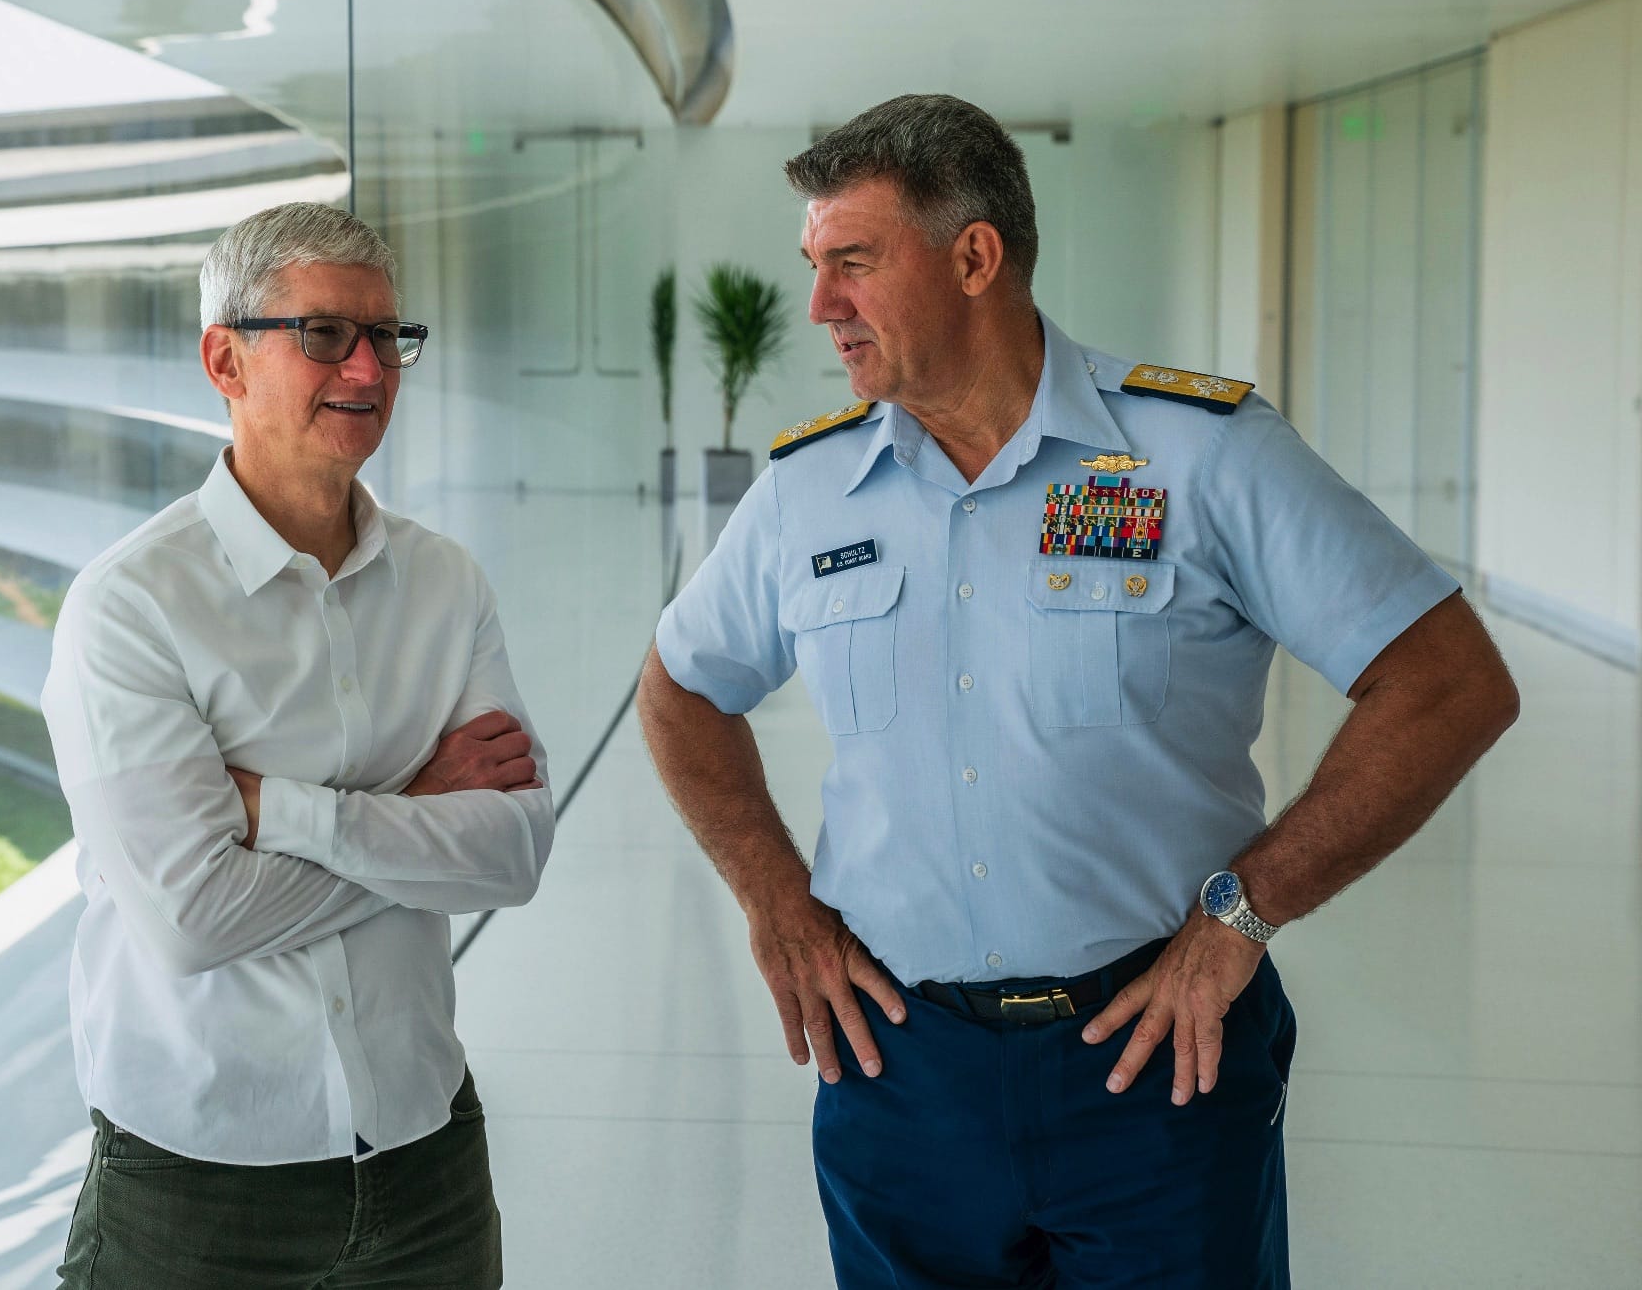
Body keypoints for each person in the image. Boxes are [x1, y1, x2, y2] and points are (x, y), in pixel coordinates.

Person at [637, 95, 1518, 1289]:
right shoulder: (808, 492)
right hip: (900, 1076)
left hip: (1159, 1062)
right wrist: (775, 900)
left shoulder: (1195, 455)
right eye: (812, 266)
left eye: (851, 262)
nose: (817, 307)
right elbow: (681, 687)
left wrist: (1242, 912)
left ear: (972, 257)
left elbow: (1448, 681)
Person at [42, 201, 553, 1289]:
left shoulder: (445, 583)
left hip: (424, 1157)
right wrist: (416, 813)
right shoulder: (129, 607)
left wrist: (280, 810)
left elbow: (511, 856)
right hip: (194, 1185)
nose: (366, 368)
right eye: (323, 334)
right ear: (223, 358)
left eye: (386, 336)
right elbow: (192, 919)